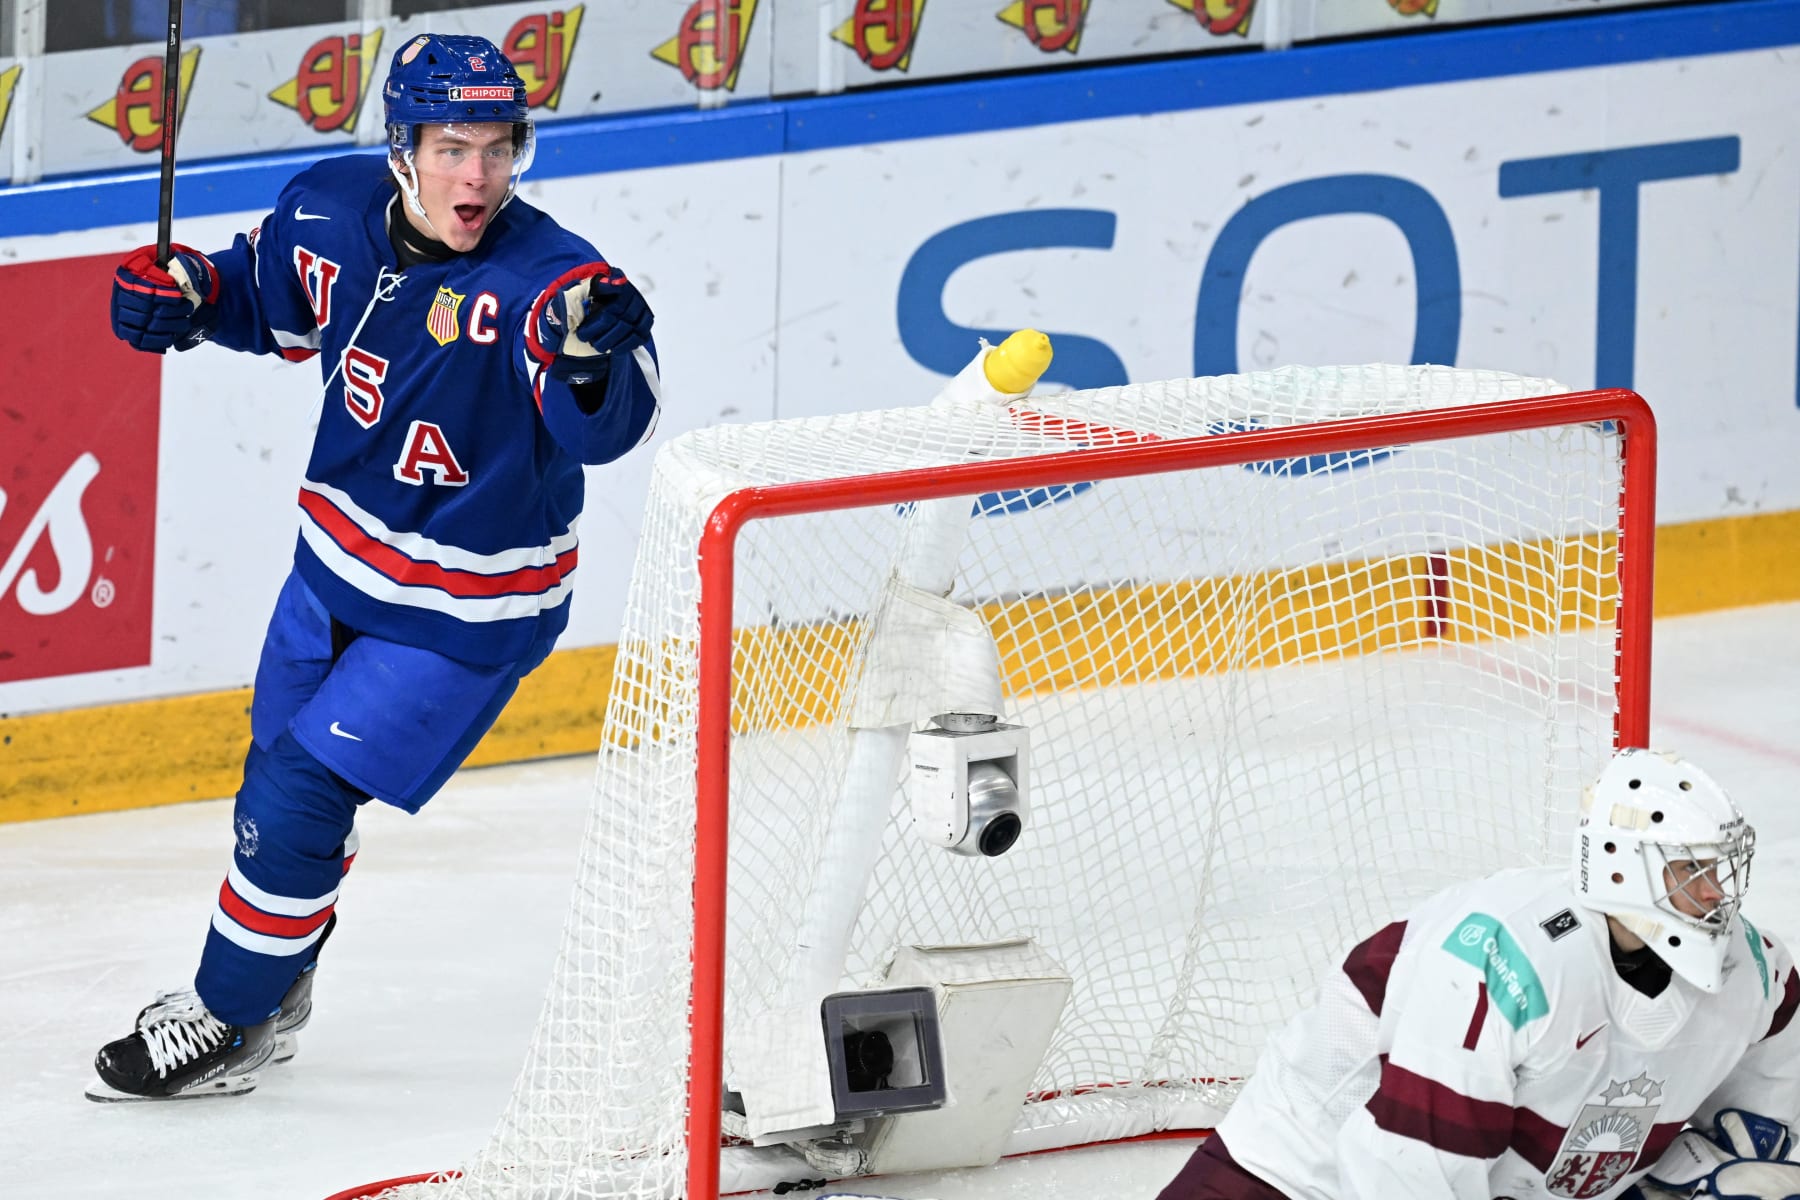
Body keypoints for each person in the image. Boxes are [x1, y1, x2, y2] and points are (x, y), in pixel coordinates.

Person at [90, 32, 661, 1101]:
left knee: (298, 794)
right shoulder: (325, 208)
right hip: (331, 567)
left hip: (466, 609)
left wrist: (596, 367)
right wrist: (192, 298)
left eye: (500, 149)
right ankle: (281, 980)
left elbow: (607, 426)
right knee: (274, 793)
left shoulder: (554, 283)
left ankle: (228, 1019)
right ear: (401, 147)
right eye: (453, 147)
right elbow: (265, 298)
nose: (478, 177)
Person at [1156, 748, 1800, 1200]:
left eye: (1720, 868)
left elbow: (1770, 1125)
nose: (1717, 892)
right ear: (1620, 869)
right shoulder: (1507, 965)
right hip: (1304, 1168)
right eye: (1691, 871)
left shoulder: (1755, 971)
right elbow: (1404, 1177)